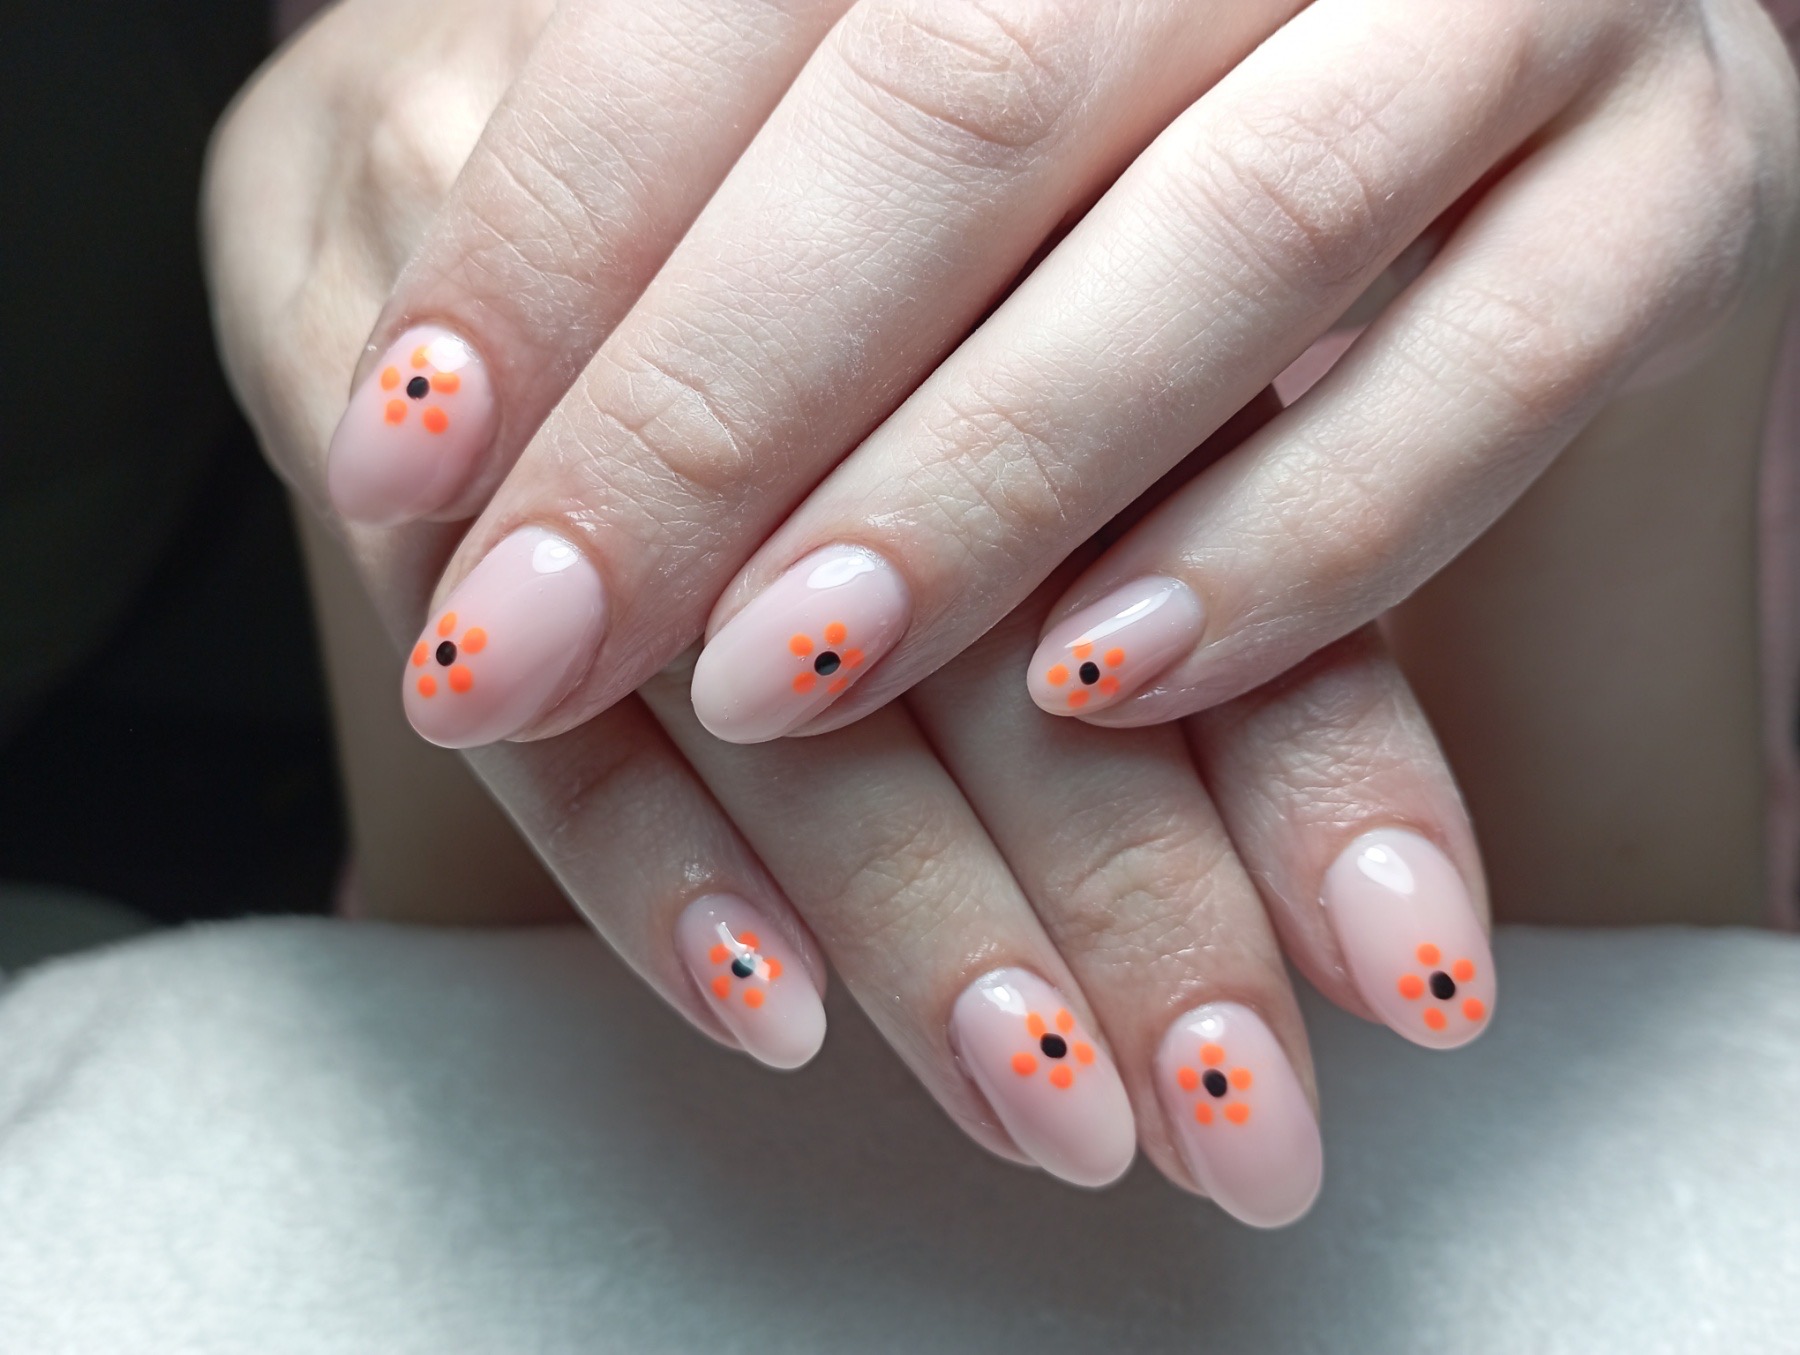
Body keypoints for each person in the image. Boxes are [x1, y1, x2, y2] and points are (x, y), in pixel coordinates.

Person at [201, 0, 1800, 1231]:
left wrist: (1657, 295)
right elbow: (494, 975)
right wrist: (377, 196)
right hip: (590, 1155)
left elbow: (1649, 1086)